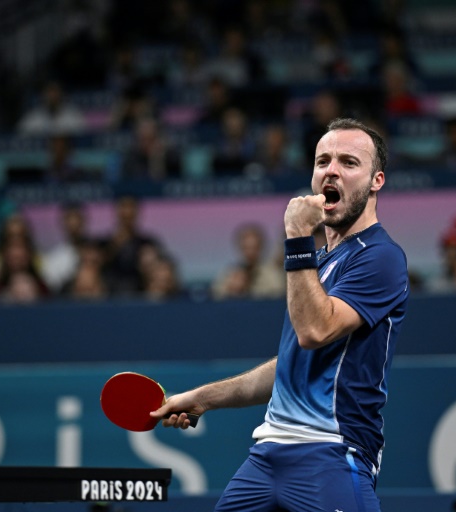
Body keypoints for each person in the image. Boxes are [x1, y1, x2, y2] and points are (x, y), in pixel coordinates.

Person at [151, 118, 409, 512]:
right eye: (323, 160)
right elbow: (291, 364)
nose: (332, 170)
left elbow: (314, 331)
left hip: (333, 455)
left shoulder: (382, 257)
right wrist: (202, 398)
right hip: (266, 457)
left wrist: (296, 237)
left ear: (377, 181)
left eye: (348, 162)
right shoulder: (317, 263)